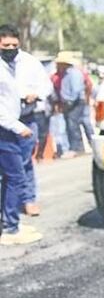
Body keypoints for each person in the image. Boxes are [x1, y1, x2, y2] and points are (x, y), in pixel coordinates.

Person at [1, 25, 51, 218]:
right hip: (4, 122)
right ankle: (7, 204)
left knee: (23, 162)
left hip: (26, 119)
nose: (10, 48)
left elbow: (46, 86)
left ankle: (28, 199)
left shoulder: (30, 63)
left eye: (14, 44)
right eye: (6, 45)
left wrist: (35, 95)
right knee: (7, 165)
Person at [55, 50, 88, 156]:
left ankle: (77, 148)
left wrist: (70, 102)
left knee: (73, 125)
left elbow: (76, 90)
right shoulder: (65, 74)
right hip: (69, 102)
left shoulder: (74, 73)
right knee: (70, 125)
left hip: (75, 102)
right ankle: (75, 147)